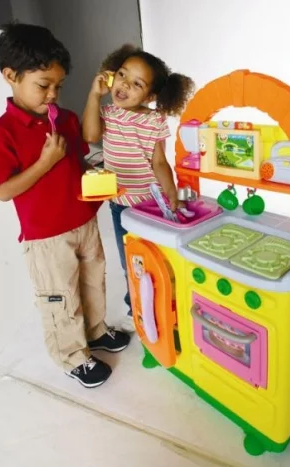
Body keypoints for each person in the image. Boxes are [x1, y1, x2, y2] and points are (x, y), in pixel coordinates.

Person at [0, 22, 130, 388]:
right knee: (60, 297)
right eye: (43, 85)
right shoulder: (1, 133)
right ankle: (72, 356)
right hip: (46, 237)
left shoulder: (65, 119)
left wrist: (100, 177)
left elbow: (79, 161)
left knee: (93, 282)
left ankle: (96, 331)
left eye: (58, 86)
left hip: (83, 220)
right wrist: (44, 163)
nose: (52, 95)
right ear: (10, 76)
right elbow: (3, 191)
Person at [82, 44, 195, 332]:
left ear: (151, 96)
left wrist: (171, 193)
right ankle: (137, 309)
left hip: (150, 203)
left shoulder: (153, 120)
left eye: (137, 84)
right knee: (129, 261)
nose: (124, 85)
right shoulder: (107, 112)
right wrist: (94, 95)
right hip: (120, 205)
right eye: (122, 75)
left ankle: (166, 306)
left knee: (157, 258)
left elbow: (159, 162)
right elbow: (90, 135)